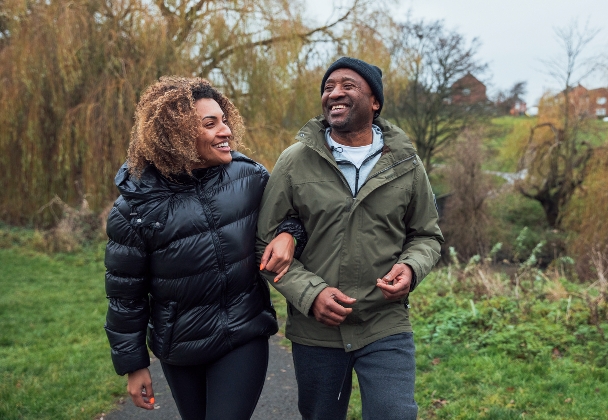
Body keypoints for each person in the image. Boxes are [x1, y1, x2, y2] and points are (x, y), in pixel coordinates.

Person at [104, 76, 306, 420]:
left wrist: (290, 232)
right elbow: (125, 295)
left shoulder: (250, 177)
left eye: (224, 120)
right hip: (179, 347)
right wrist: (133, 365)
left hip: (244, 332)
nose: (225, 130)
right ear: (175, 135)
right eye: (210, 124)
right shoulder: (134, 207)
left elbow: (294, 213)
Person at [256, 57, 444, 420]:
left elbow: (427, 235)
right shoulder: (295, 162)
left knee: (395, 414)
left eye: (347, 85)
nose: (334, 93)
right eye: (328, 87)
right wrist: (310, 295)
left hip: (384, 323)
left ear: (375, 102)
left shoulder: (406, 162)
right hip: (317, 331)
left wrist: (410, 268)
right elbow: (264, 243)